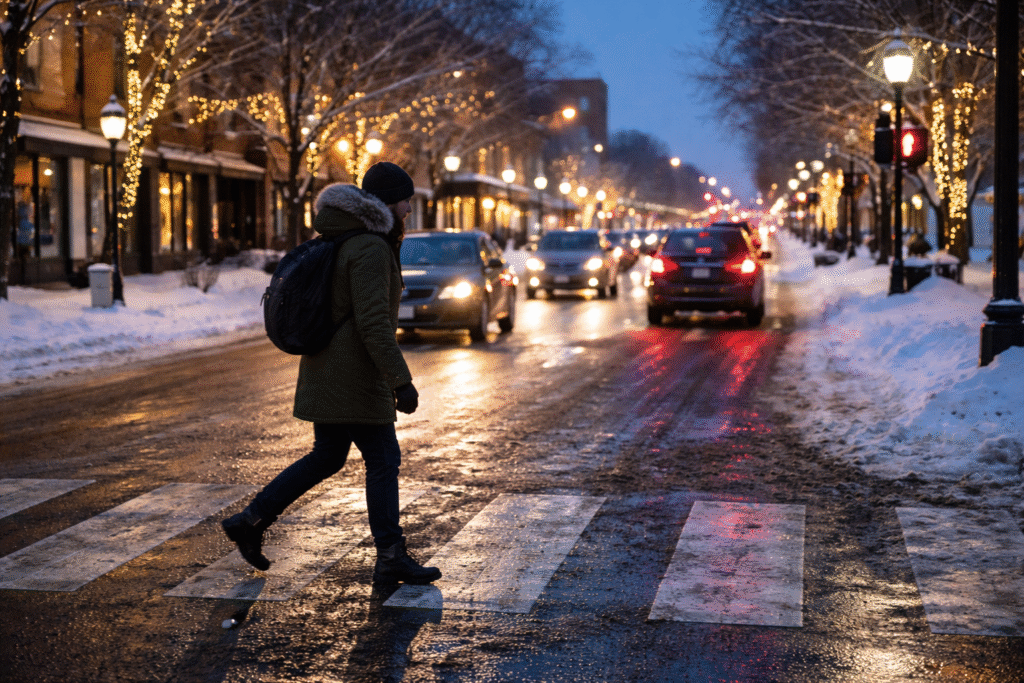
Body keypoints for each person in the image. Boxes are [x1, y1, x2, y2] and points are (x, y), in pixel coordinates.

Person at [222, 162, 441, 585]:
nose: (409, 209)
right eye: (405, 201)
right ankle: (391, 555)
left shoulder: (345, 238)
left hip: (327, 368)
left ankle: (251, 520)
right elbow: (373, 323)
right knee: (382, 460)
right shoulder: (370, 247)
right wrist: (400, 381)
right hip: (354, 375)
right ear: (388, 203)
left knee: (328, 456)